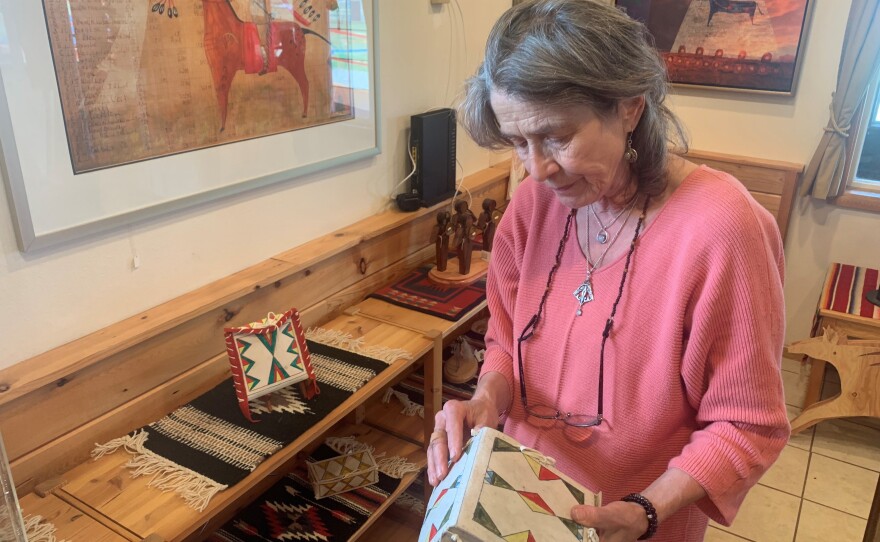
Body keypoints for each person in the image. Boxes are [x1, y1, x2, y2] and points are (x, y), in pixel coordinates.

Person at [426, 1, 790, 541]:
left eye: (556, 136)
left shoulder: (723, 228)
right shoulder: (531, 206)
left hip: (639, 520)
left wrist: (645, 510)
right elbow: (506, 340)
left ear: (629, 108)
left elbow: (747, 423)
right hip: (518, 504)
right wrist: (487, 398)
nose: (538, 169)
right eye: (519, 142)